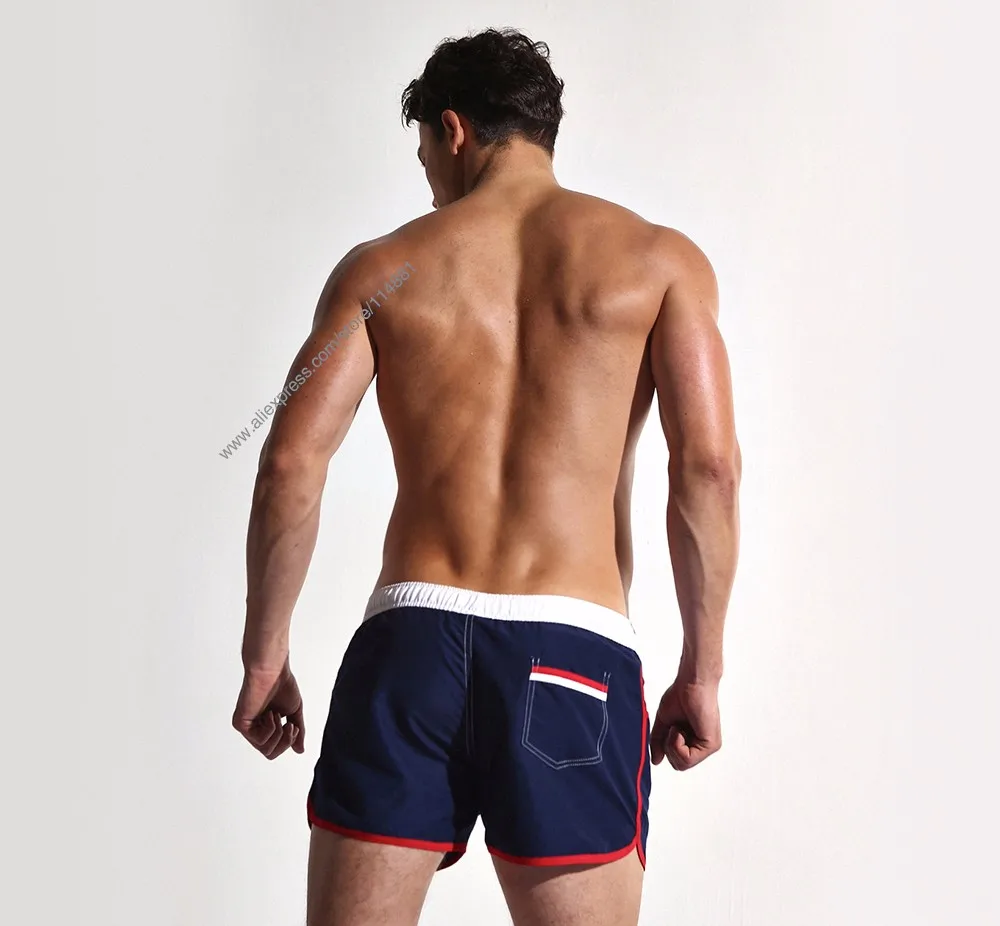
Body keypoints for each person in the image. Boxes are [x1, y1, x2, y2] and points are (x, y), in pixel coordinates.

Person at [232, 27, 741, 926]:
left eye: (425, 153)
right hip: (571, 655)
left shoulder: (381, 271)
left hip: (410, 648)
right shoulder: (660, 262)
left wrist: (263, 656)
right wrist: (702, 671)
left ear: (454, 130)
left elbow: (288, 463)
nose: (429, 179)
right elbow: (707, 467)